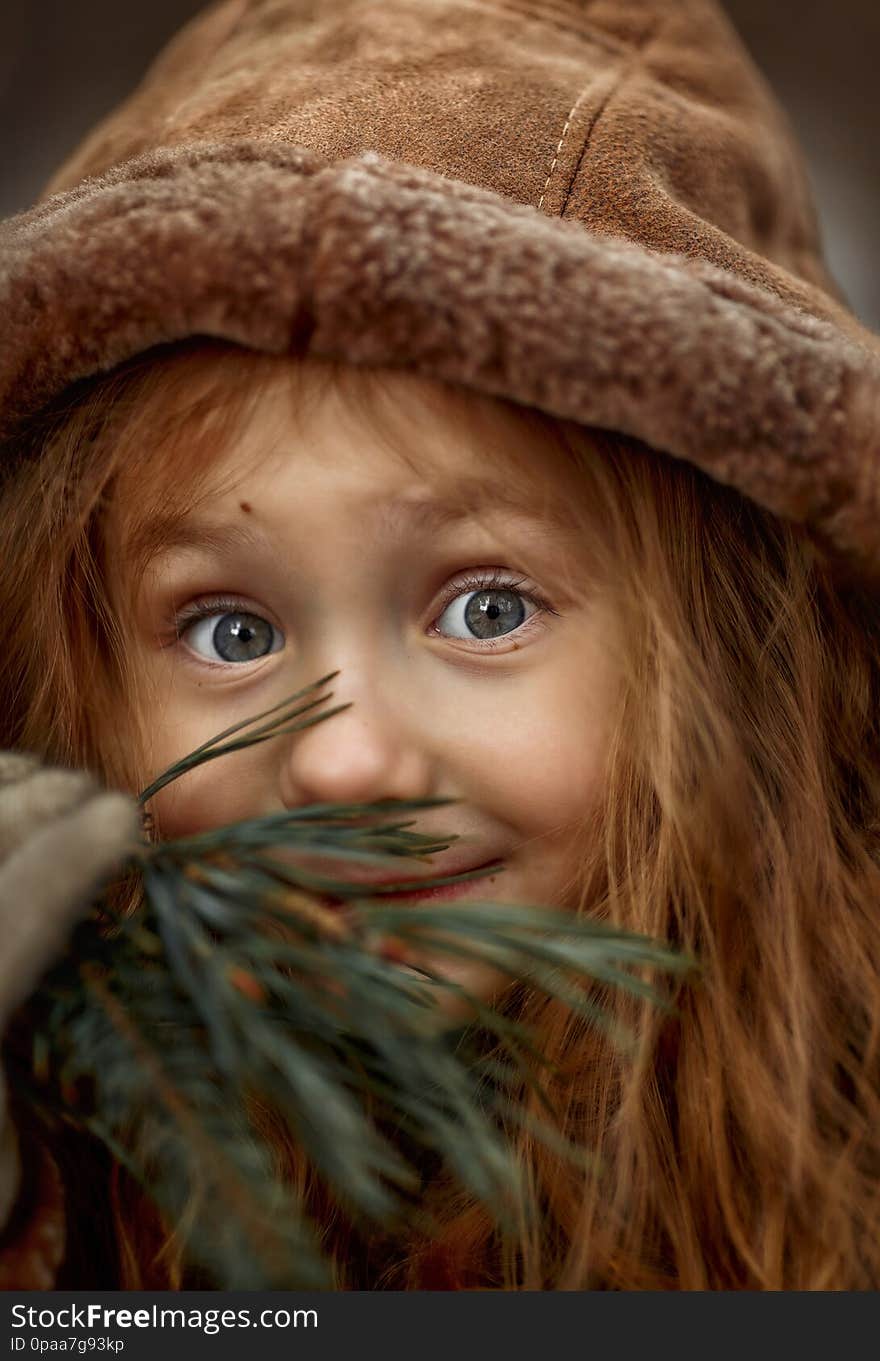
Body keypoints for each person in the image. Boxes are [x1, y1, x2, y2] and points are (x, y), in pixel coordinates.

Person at [1, 0, 879, 1291]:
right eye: (230, 630)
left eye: (486, 608)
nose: (347, 764)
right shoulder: (57, 1178)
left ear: (732, 657)